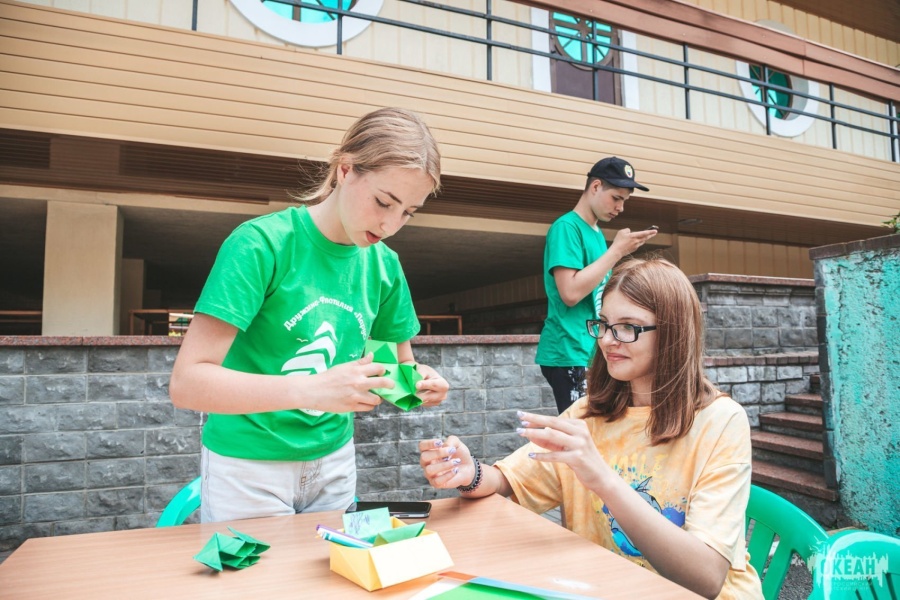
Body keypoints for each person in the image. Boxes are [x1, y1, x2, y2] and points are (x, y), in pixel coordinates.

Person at [420, 258, 763, 599]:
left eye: (627, 327)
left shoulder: (720, 421)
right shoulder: (587, 414)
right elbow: (509, 481)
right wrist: (469, 473)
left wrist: (601, 478)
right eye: (603, 324)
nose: (608, 340)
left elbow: (706, 578)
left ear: (674, 333)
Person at [169, 107, 449, 523]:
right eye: (383, 202)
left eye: (408, 212)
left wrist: (418, 384)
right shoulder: (261, 244)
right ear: (345, 170)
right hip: (247, 466)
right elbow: (187, 384)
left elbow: (394, 370)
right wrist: (311, 389)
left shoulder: (385, 266)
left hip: (335, 464)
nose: (391, 224)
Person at [536, 156, 658, 414]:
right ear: (595, 187)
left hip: (595, 349)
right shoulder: (567, 227)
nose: (620, 208)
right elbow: (570, 293)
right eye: (616, 198)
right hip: (569, 350)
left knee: (601, 426)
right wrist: (617, 251)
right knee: (581, 428)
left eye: (624, 201)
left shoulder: (597, 234)